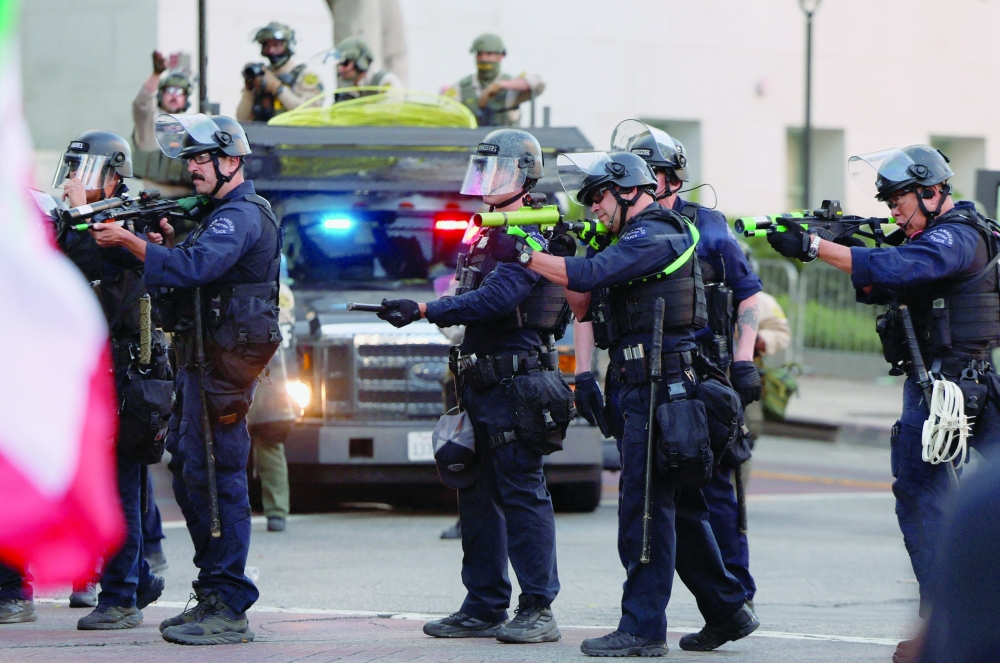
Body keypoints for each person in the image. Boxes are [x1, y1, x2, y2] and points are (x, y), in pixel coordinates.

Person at [491, 150, 757, 657]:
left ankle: (641, 629)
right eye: (588, 201)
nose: (593, 208)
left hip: (665, 385)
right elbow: (583, 298)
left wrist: (524, 254)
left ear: (630, 190)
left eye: (598, 198)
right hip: (640, 382)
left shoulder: (659, 231)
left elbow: (590, 275)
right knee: (678, 510)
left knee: (644, 510)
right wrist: (557, 255)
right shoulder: (625, 239)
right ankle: (728, 610)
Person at [766, 144, 1000, 663]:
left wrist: (813, 247)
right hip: (952, 381)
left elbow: (905, 263)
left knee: (921, 494)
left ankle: (945, 624)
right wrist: (836, 240)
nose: (893, 209)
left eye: (900, 199)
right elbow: (881, 278)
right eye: (889, 200)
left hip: (953, 385)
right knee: (931, 494)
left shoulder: (957, 234)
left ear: (932, 191)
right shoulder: (939, 231)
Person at [90, 113, 282, 645]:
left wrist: (131, 244)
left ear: (231, 161)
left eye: (202, 159)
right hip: (203, 363)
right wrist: (165, 242)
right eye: (191, 160)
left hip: (223, 369)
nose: (193, 169)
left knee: (219, 479)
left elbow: (194, 268)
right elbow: (191, 270)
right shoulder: (221, 214)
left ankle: (229, 605)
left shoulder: (240, 215)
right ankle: (213, 591)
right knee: (195, 474)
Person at [376, 129, 567, 645]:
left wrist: (423, 310)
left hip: (515, 378)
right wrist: (435, 311)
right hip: (478, 376)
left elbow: (500, 297)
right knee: (476, 495)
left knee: (522, 490)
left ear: (525, 174)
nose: (486, 179)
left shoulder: (535, 223)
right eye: (484, 168)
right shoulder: (487, 225)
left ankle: (538, 607)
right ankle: (483, 604)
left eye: (498, 170)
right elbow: (470, 296)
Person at [52, 131, 168, 630]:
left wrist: (80, 215)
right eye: (72, 171)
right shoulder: (81, 223)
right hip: (89, 376)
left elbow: (96, 262)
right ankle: (137, 580)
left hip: (123, 377)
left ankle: (120, 596)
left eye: (87, 172)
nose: (75, 182)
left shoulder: (124, 224)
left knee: (120, 485)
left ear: (112, 175)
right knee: (108, 485)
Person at [246, 282, 298, 532]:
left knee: (235, 449)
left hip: (251, 379)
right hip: (276, 384)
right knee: (270, 447)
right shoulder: (284, 292)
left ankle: (235, 514)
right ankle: (276, 512)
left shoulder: (244, 286)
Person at [444, 34, 544, 127]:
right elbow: (446, 110)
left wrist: (499, 85)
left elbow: (537, 84)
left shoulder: (511, 85)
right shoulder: (462, 87)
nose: (484, 59)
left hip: (505, 142)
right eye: (480, 54)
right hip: (472, 142)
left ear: (500, 56)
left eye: (489, 54)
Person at [132, 51, 195, 199]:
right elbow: (142, 104)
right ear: (161, 94)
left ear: (186, 98)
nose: (174, 95)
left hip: (189, 203)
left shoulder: (193, 125)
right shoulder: (150, 123)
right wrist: (156, 74)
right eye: (170, 90)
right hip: (156, 202)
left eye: (180, 92)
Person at [237, 22, 323, 123]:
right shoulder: (262, 75)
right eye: (267, 46)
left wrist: (277, 88)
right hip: (263, 135)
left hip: (294, 136)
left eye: (276, 45)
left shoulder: (305, 76)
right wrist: (249, 89)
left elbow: (308, 113)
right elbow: (242, 118)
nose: (271, 51)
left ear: (287, 45)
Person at [332, 36, 403, 101]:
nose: (341, 69)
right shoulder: (345, 92)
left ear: (361, 62)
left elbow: (394, 109)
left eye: (345, 63)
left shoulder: (385, 81)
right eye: (339, 64)